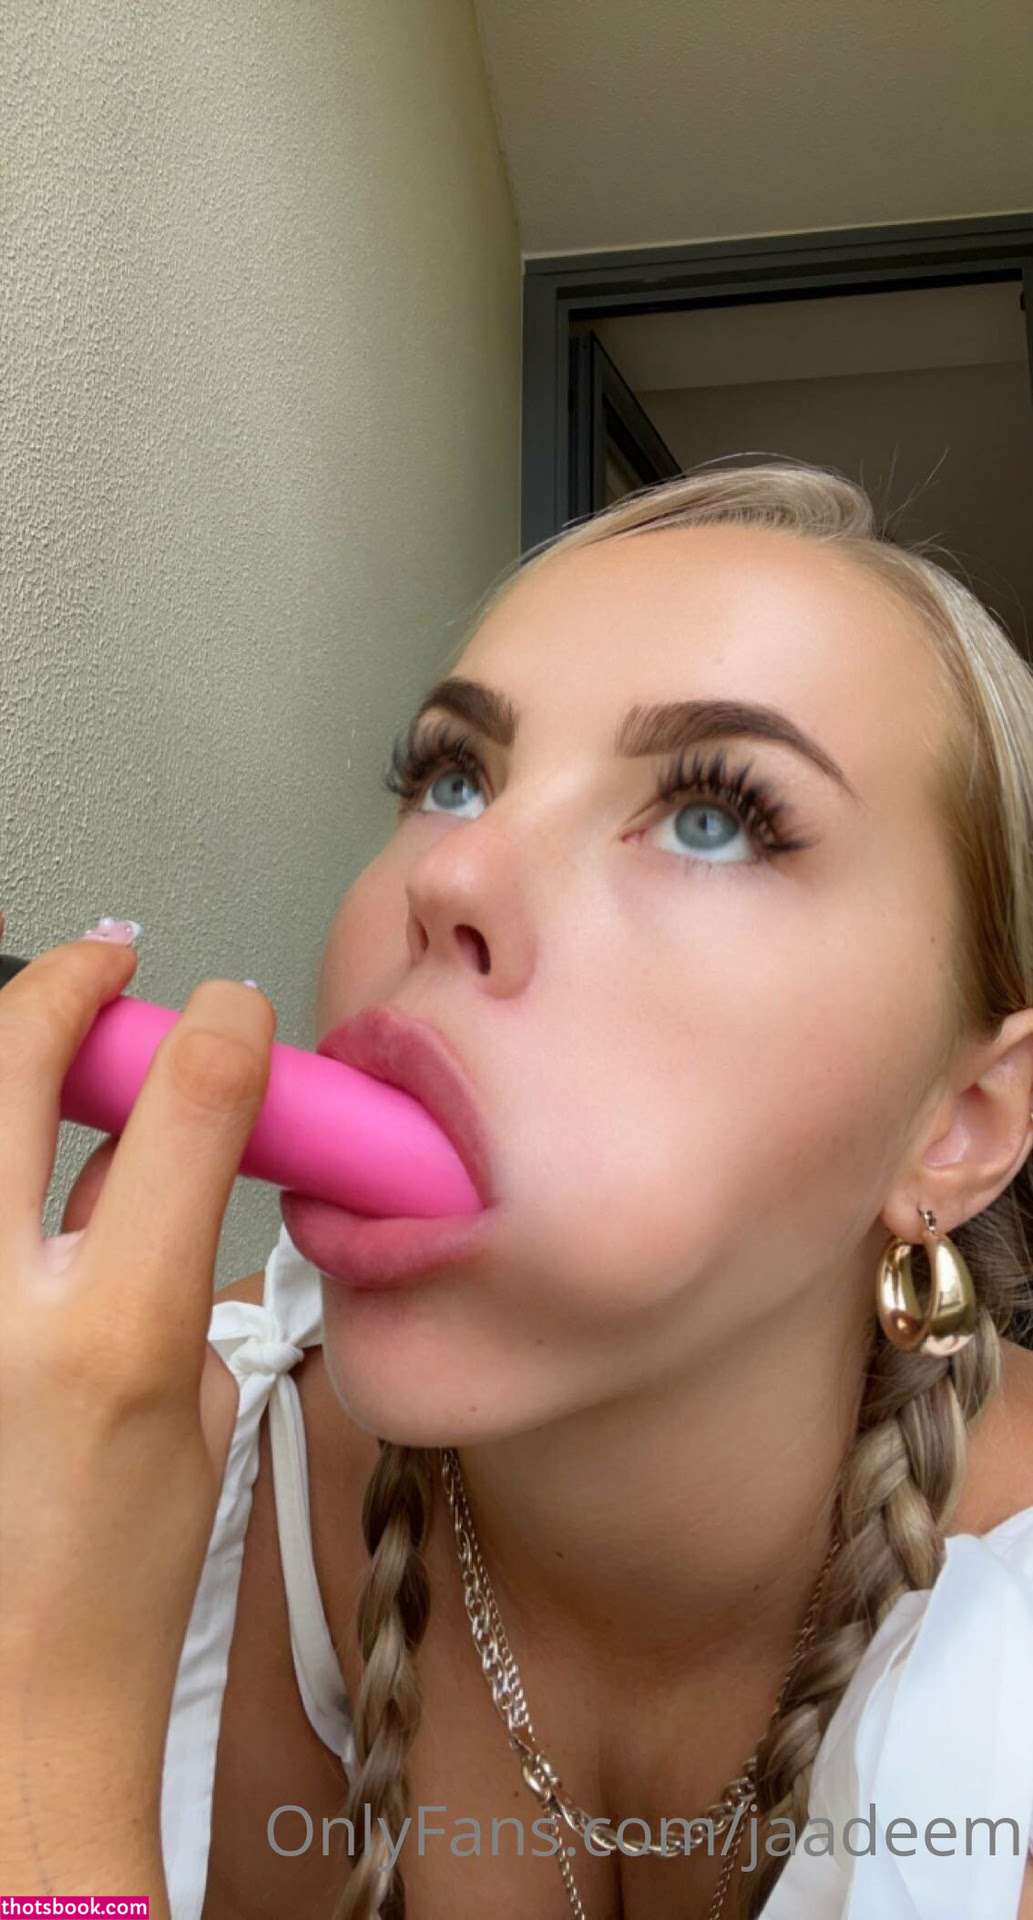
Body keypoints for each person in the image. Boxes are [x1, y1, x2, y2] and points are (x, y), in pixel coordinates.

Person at [5, 456, 1033, 1920]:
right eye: (451, 778)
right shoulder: (114, 1464)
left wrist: (37, 1770)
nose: (451, 875)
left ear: (960, 1121)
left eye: (713, 816)